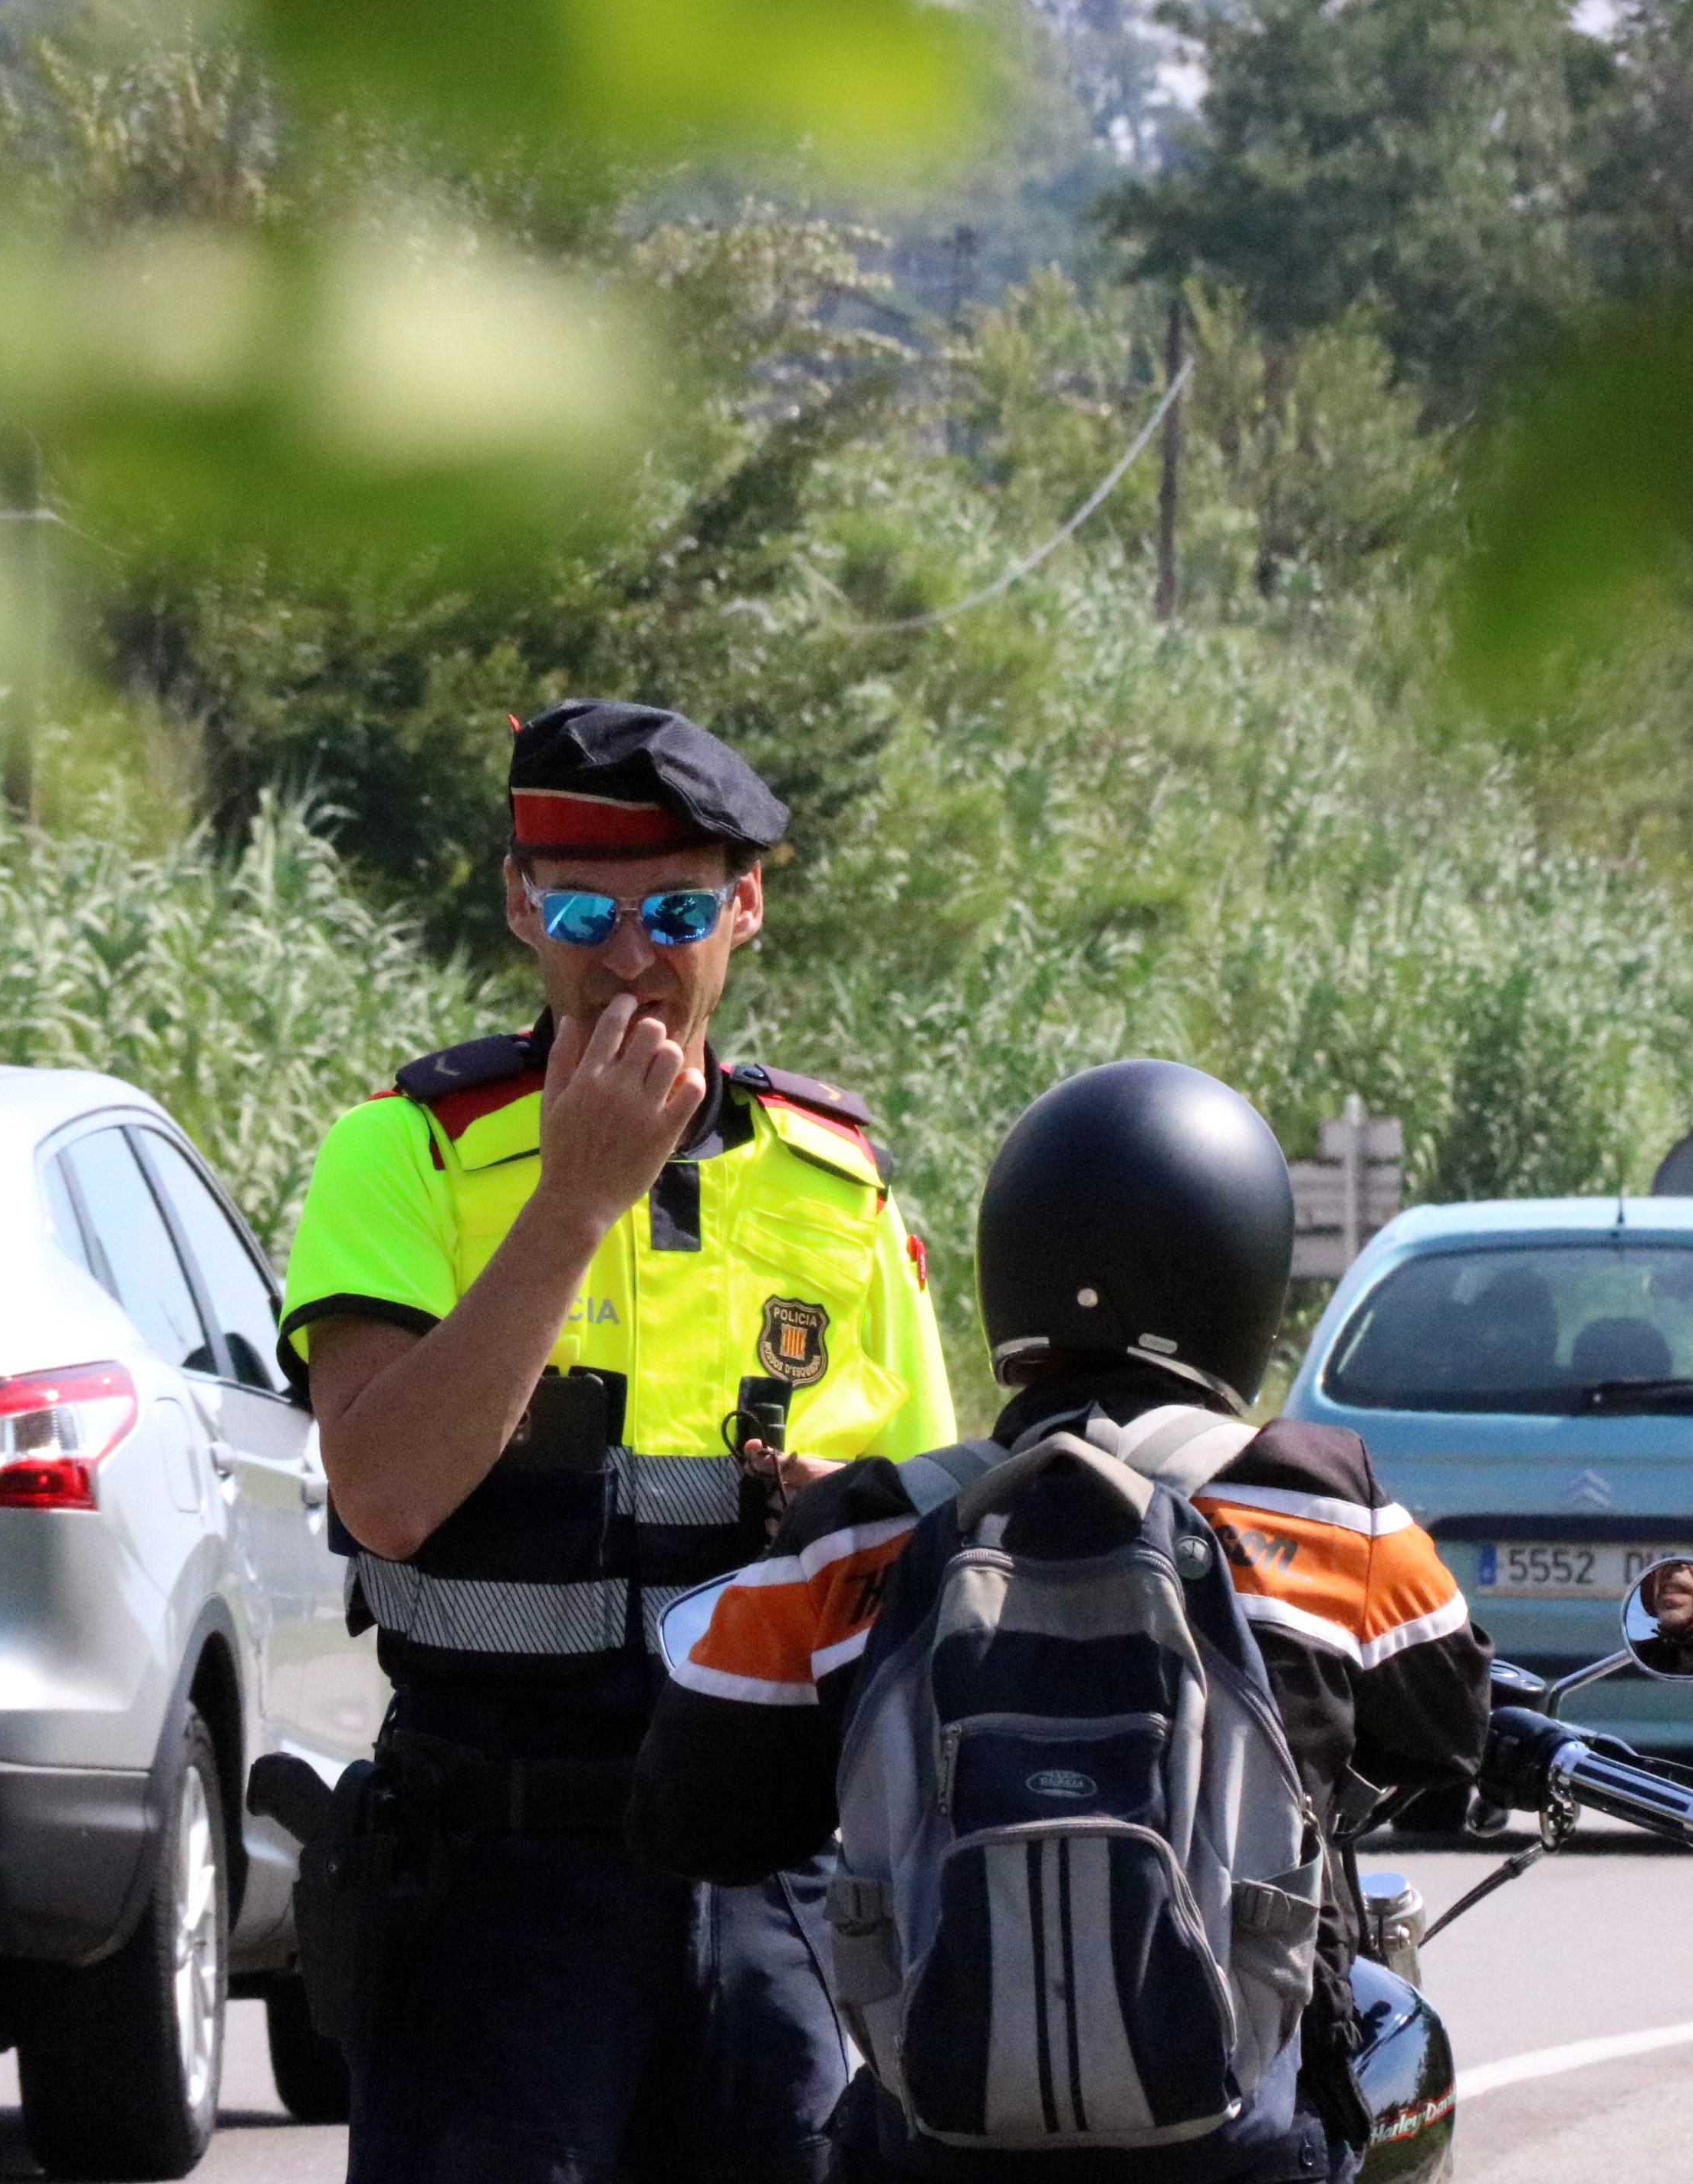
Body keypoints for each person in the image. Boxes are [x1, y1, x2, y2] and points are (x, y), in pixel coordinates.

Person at [280, 698, 959, 2184]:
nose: (633, 952)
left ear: (749, 906)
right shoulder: (407, 1149)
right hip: (492, 1885)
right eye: (586, 906)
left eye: (680, 908)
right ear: (522, 898)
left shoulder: (839, 1188)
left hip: (770, 1878)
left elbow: (924, 1551)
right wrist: (575, 1198)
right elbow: (385, 1493)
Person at [632, 1059, 1492, 2184]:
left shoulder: (865, 1531)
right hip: (1242, 2149)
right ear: (1240, 1272)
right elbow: (1449, 1729)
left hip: (938, 2145)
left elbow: (694, 1812)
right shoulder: (1329, 1512)